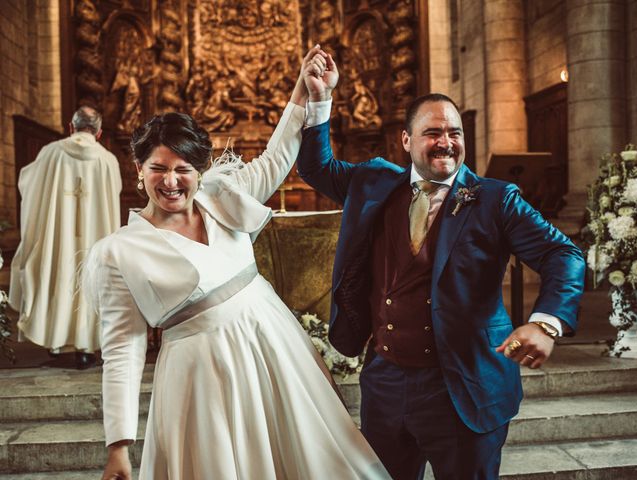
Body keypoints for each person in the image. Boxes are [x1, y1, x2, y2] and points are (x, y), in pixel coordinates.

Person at [83, 46, 390, 480]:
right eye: (159, 168)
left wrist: (306, 92)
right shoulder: (119, 251)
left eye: (184, 169)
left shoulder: (221, 195)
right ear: (138, 169)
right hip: (201, 377)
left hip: (275, 350)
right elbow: (122, 349)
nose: (171, 181)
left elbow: (275, 158)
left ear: (200, 169)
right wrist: (118, 446)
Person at [297, 57, 586, 479]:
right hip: (386, 387)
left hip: (465, 386)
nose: (446, 142)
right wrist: (320, 99)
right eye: (433, 132)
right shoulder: (374, 183)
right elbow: (315, 168)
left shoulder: (495, 199)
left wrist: (545, 324)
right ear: (406, 141)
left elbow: (563, 255)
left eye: (454, 132)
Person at [9, 106, 121, 369]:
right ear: (100, 132)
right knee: (89, 281)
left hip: (56, 234)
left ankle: (57, 342)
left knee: (56, 272)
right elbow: (113, 197)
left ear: (71, 127)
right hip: (95, 235)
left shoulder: (50, 153)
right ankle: (86, 346)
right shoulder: (108, 160)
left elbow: (28, 182)